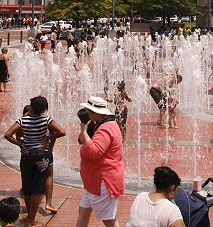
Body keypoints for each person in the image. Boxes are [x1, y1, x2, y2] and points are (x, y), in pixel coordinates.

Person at [4, 95, 66, 227]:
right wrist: (49, 138)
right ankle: (31, 220)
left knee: (27, 184)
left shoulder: (22, 120)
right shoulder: (47, 120)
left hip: (27, 154)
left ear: (32, 107)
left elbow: (7, 135)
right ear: (44, 109)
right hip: (42, 155)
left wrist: (20, 144)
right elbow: (62, 132)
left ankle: (29, 216)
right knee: (38, 186)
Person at [76, 96, 124, 227]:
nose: (86, 113)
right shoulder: (99, 124)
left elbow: (94, 152)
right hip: (95, 180)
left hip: (103, 181)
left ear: (95, 112)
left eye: (88, 111)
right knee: (83, 211)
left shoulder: (106, 128)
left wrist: (83, 130)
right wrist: (86, 130)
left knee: (109, 220)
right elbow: (82, 140)